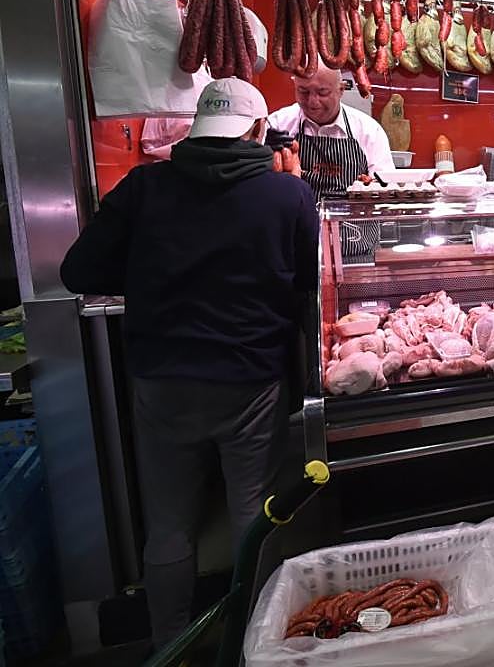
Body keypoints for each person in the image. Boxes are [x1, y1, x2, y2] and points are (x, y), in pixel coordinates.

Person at [60, 78, 319, 651]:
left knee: (169, 526)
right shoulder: (287, 195)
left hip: (163, 381)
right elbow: (308, 283)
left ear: (196, 130)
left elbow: (78, 273)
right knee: (254, 513)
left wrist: (150, 274)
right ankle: (257, 642)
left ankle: (169, 645)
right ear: (257, 131)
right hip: (252, 380)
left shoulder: (144, 186)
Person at [267, 61, 392, 201]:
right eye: (303, 91)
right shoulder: (277, 124)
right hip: (296, 222)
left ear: (341, 90)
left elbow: (386, 188)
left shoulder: (369, 130)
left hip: (353, 221)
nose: (312, 101)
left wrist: (370, 187)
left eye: (323, 92)